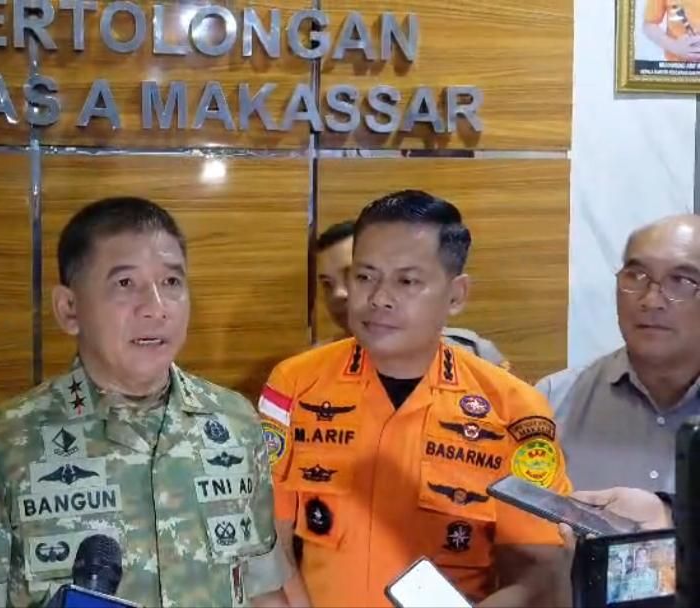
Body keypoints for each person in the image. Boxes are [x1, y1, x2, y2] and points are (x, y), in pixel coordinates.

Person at [0, 197, 292, 607]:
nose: (156, 308)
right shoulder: (1, 443)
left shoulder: (235, 423)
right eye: (125, 284)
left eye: (171, 282)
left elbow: (262, 590)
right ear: (69, 309)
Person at [262, 190, 571, 606]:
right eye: (365, 277)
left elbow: (539, 571)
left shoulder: (514, 410)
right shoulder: (295, 383)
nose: (378, 298)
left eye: (406, 281)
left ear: (457, 295)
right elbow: (268, 545)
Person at [536, 214, 700, 492]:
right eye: (636, 276)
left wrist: (667, 514)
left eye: (681, 281)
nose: (651, 300)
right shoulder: (553, 401)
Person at [316, 220, 510, 368]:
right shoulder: (313, 367)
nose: (338, 294)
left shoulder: (476, 355)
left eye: (359, 276)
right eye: (327, 284)